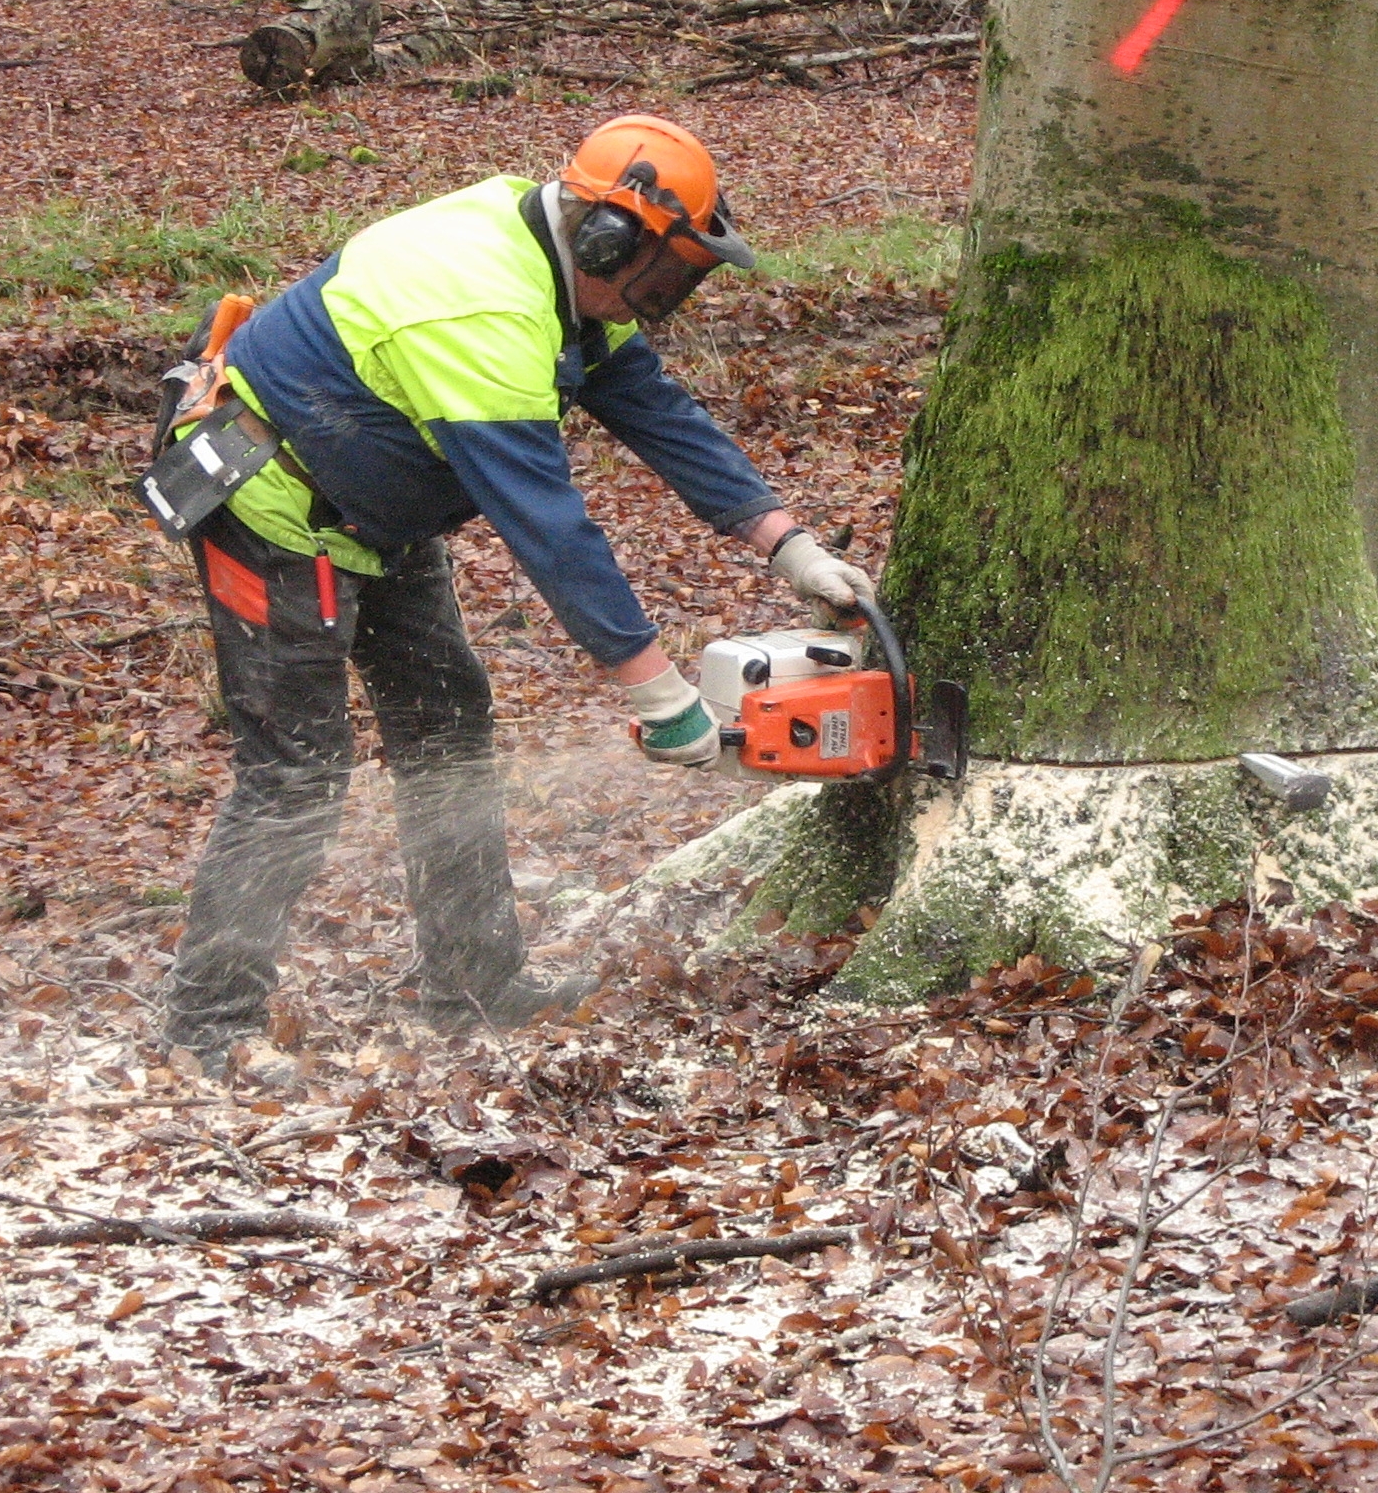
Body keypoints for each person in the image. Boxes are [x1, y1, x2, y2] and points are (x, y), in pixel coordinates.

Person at [156, 115, 875, 1071]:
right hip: (274, 507)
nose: (657, 301)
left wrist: (788, 546)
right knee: (298, 772)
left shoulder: (553, 264)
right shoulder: (481, 309)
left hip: (382, 509)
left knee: (449, 727)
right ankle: (211, 1028)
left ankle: (473, 978)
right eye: (660, 277)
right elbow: (548, 526)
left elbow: (654, 408)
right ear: (608, 237)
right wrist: (662, 697)